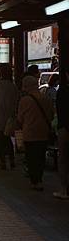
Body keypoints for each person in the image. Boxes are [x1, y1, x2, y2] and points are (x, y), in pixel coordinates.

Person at [17, 75, 54, 190]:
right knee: (41, 156)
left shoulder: (25, 100)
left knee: (31, 157)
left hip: (29, 133)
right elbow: (51, 115)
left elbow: (20, 118)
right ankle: (39, 179)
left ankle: (35, 181)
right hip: (43, 132)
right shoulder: (46, 98)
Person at [0, 63, 19, 170]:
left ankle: (2, 160)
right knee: (7, 139)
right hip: (10, 117)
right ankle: (11, 159)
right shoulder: (13, 86)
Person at [53, 68, 69, 199]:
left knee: (63, 158)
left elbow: (59, 111)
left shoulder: (62, 91)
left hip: (64, 128)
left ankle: (64, 189)